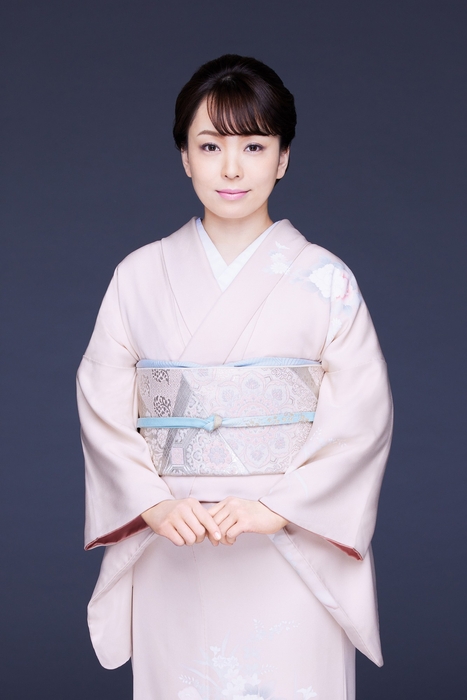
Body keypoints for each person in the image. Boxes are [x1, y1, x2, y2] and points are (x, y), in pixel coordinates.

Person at [77, 54, 393, 700]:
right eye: (209, 145)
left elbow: (363, 417)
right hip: (175, 542)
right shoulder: (137, 276)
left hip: (287, 545)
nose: (231, 168)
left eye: (253, 146)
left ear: (282, 158)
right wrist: (154, 504)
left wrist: (275, 509)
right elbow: (101, 403)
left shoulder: (325, 279)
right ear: (184, 157)